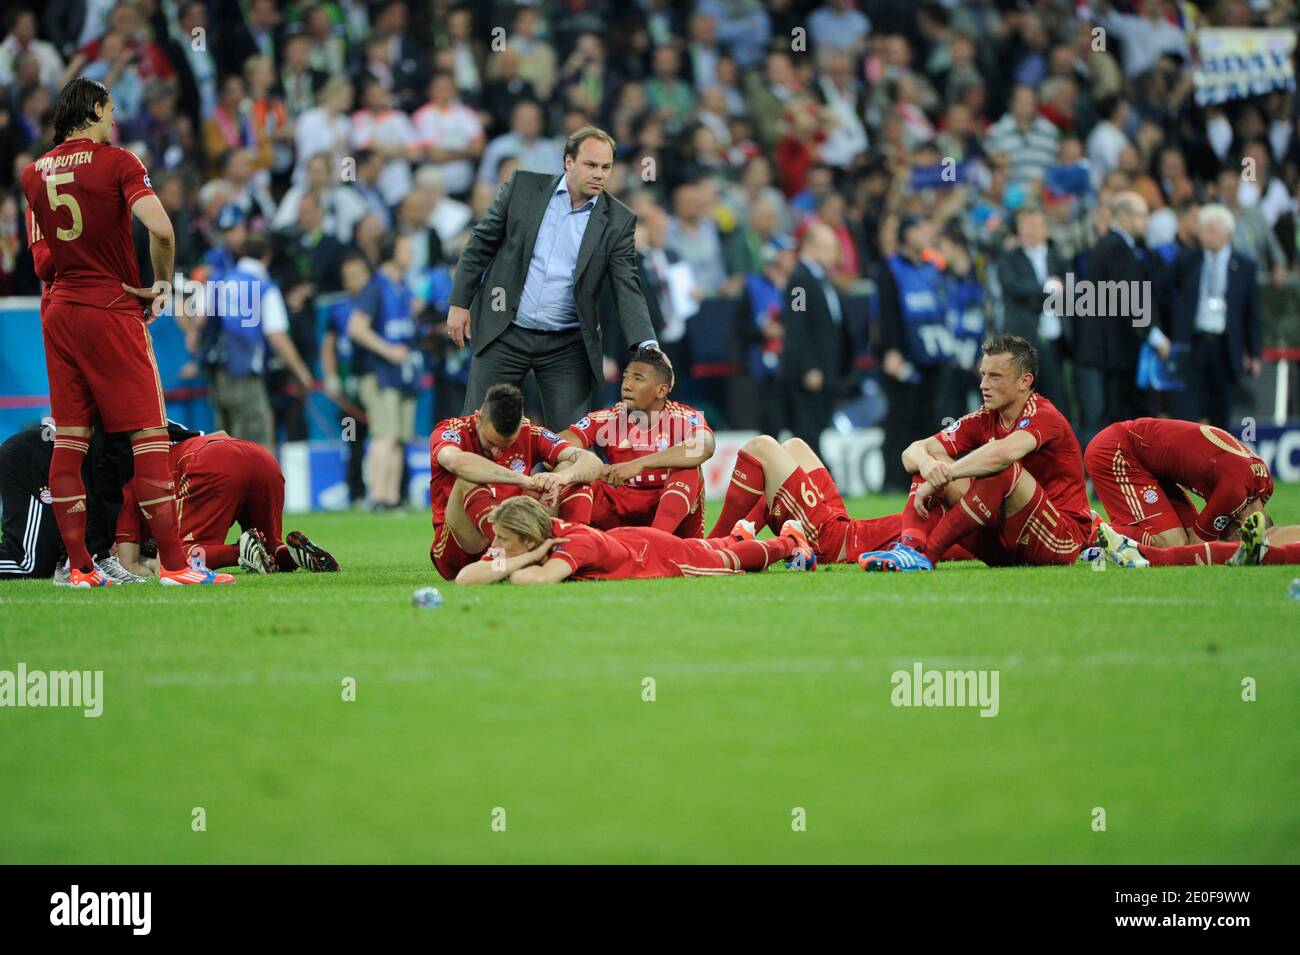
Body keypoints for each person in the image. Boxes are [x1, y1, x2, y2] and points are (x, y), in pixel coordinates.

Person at [19, 78, 231, 586]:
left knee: (71, 440)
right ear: (94, 109)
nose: (114, 119)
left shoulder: (33, 175)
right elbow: (161, 228)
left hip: (58, 311)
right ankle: (177, 566)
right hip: (110, 307)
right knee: (148, 434)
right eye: (110, 109)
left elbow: (42, 259)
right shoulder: (119, 161)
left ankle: (81, 569)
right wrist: (159, 283)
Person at [447, 125, 658, 430]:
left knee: (571, 441)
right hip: (505, 331)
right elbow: (480, 244)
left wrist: (647, 343)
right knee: (478, 430)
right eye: (591, 165)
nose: (599, 174)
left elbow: (628, 285)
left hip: (566, 346)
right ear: (568, 162)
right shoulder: (522, 188)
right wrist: (459, 303)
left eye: (606, 167)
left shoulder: (619, 220)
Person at [860, 334, 1091, 571]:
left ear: (1025, 381)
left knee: (1001, 469)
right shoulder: (985, 417)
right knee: (931, 462)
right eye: (983, 375)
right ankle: (910, 549)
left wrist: (947, 473)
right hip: (1003, 544)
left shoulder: (1044, 415)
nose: (983, 385)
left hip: (1060, 540)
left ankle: (927, 556)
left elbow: (1002, 455)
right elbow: (912, 452)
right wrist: (929, 466)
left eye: (995, 376)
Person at [428, 383, 603, 581]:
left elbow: (592, 462)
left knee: (570, 471)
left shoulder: (531, 433)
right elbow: (456, 461)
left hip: (515, 542)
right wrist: (523, 481)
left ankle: (569, 552)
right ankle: (497, 552)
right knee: (467, 478)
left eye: (506, 445)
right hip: (461, 548)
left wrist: (560, 478)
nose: (497, 452)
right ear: (478, 418)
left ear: (520, 425)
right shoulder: (451, 430)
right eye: (490, 443)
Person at [453, 494, 813, 585]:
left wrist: (515, 564)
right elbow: (464, 579)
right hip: (628, 541)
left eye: (501, 538)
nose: (494, 546)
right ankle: (737, 534)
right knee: (707, 547)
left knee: (720, 564)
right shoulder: (531, 545)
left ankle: (788, 542)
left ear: (529, 541)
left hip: (652, 554)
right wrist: (515, 559)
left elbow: (533, 580)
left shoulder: (572, 544)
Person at [114, 433, 338, 576]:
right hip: (262, 458)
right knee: (269, 548)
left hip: (211, 462)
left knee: (173, 562)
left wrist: (150, 563)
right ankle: (289, 553)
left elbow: (129, 565)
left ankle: (240, 552)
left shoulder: (127, 491)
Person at [558, 348, 715, 538]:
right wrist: (592, 466)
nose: (626, 385)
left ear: (661, 390)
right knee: (566, 467)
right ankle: (572, 542)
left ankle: (654, 542)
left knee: (689, 468)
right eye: (625, 378)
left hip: (671, 528)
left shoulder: (684, 416)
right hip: (619, 515)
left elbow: (705, 446)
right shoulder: (608, 418)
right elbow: (555, 446)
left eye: (638, 379)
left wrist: (639, 464)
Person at [705, 435, 909, 567]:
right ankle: (739, 538)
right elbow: (912, 454)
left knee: (761, 446)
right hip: (843, 524)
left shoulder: (930, 528)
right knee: (794, 446)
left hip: (830, 541)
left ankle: (715, 546)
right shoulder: (930, 513)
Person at [1084, 418, 1274, 547]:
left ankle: (1117, 536)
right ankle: (1089, 530)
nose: (1239, 547)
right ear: (1241, 526)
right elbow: (1198, 548)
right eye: (1241, 543)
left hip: (1150, 462)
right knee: (1173, 543)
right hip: (1117, 450)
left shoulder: (1264, 482)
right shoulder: (1233, 493)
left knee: (1185, 536)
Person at [203, 234, 314, 450]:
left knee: (225, 445)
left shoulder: (221, 279)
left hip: (217, 374)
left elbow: (198, 321)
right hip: (245, 373)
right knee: (255, 447)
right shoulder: (264, 287)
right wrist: (302, 372)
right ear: (267, 257)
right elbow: (276, 336)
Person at [1165, 205, 1262, 429]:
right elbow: (1160, 290)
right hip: (1193, 343)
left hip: (1225, 346)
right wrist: (1174, 320)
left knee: (1222, 414)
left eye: (1213, 229)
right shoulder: (1187, 260)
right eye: (1204, 229)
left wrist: (1254, 352)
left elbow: (1251, 312)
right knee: (1186, 415)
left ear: (1227, 233)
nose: (1207, 234)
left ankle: (1218, 463)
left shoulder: (1245, 265)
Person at [876, 215, 949, 492]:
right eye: (922, 227)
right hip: (902, 358)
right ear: (907, 235)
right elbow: (886, 314)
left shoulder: (933, 268)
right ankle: (892, 480)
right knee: (898, 420)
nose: (928, 233)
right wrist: (891, 350)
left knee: (928, 421)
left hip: (931, 356)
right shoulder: (890, 269)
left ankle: (924, 478)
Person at [348, 234, 422, 509]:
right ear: (393, 252)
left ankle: (390, 499)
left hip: (402, 372)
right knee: (385, 435)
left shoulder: (402, 286)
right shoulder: (375, 286)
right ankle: (376, 496)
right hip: (379, 372)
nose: (411, 254)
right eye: (406, 248)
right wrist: (387, 350)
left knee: (400, 438)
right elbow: (356, 328)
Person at [780, 221, 849, 460]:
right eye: (829, 247)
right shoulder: (800, 280)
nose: (835, 254)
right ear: (811, 247)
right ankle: (809, 482)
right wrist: (808, 367)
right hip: (809, 373)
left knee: (817, 428)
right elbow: (796, 326)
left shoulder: (820, 279)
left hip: (825, 371)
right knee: (807, 430)